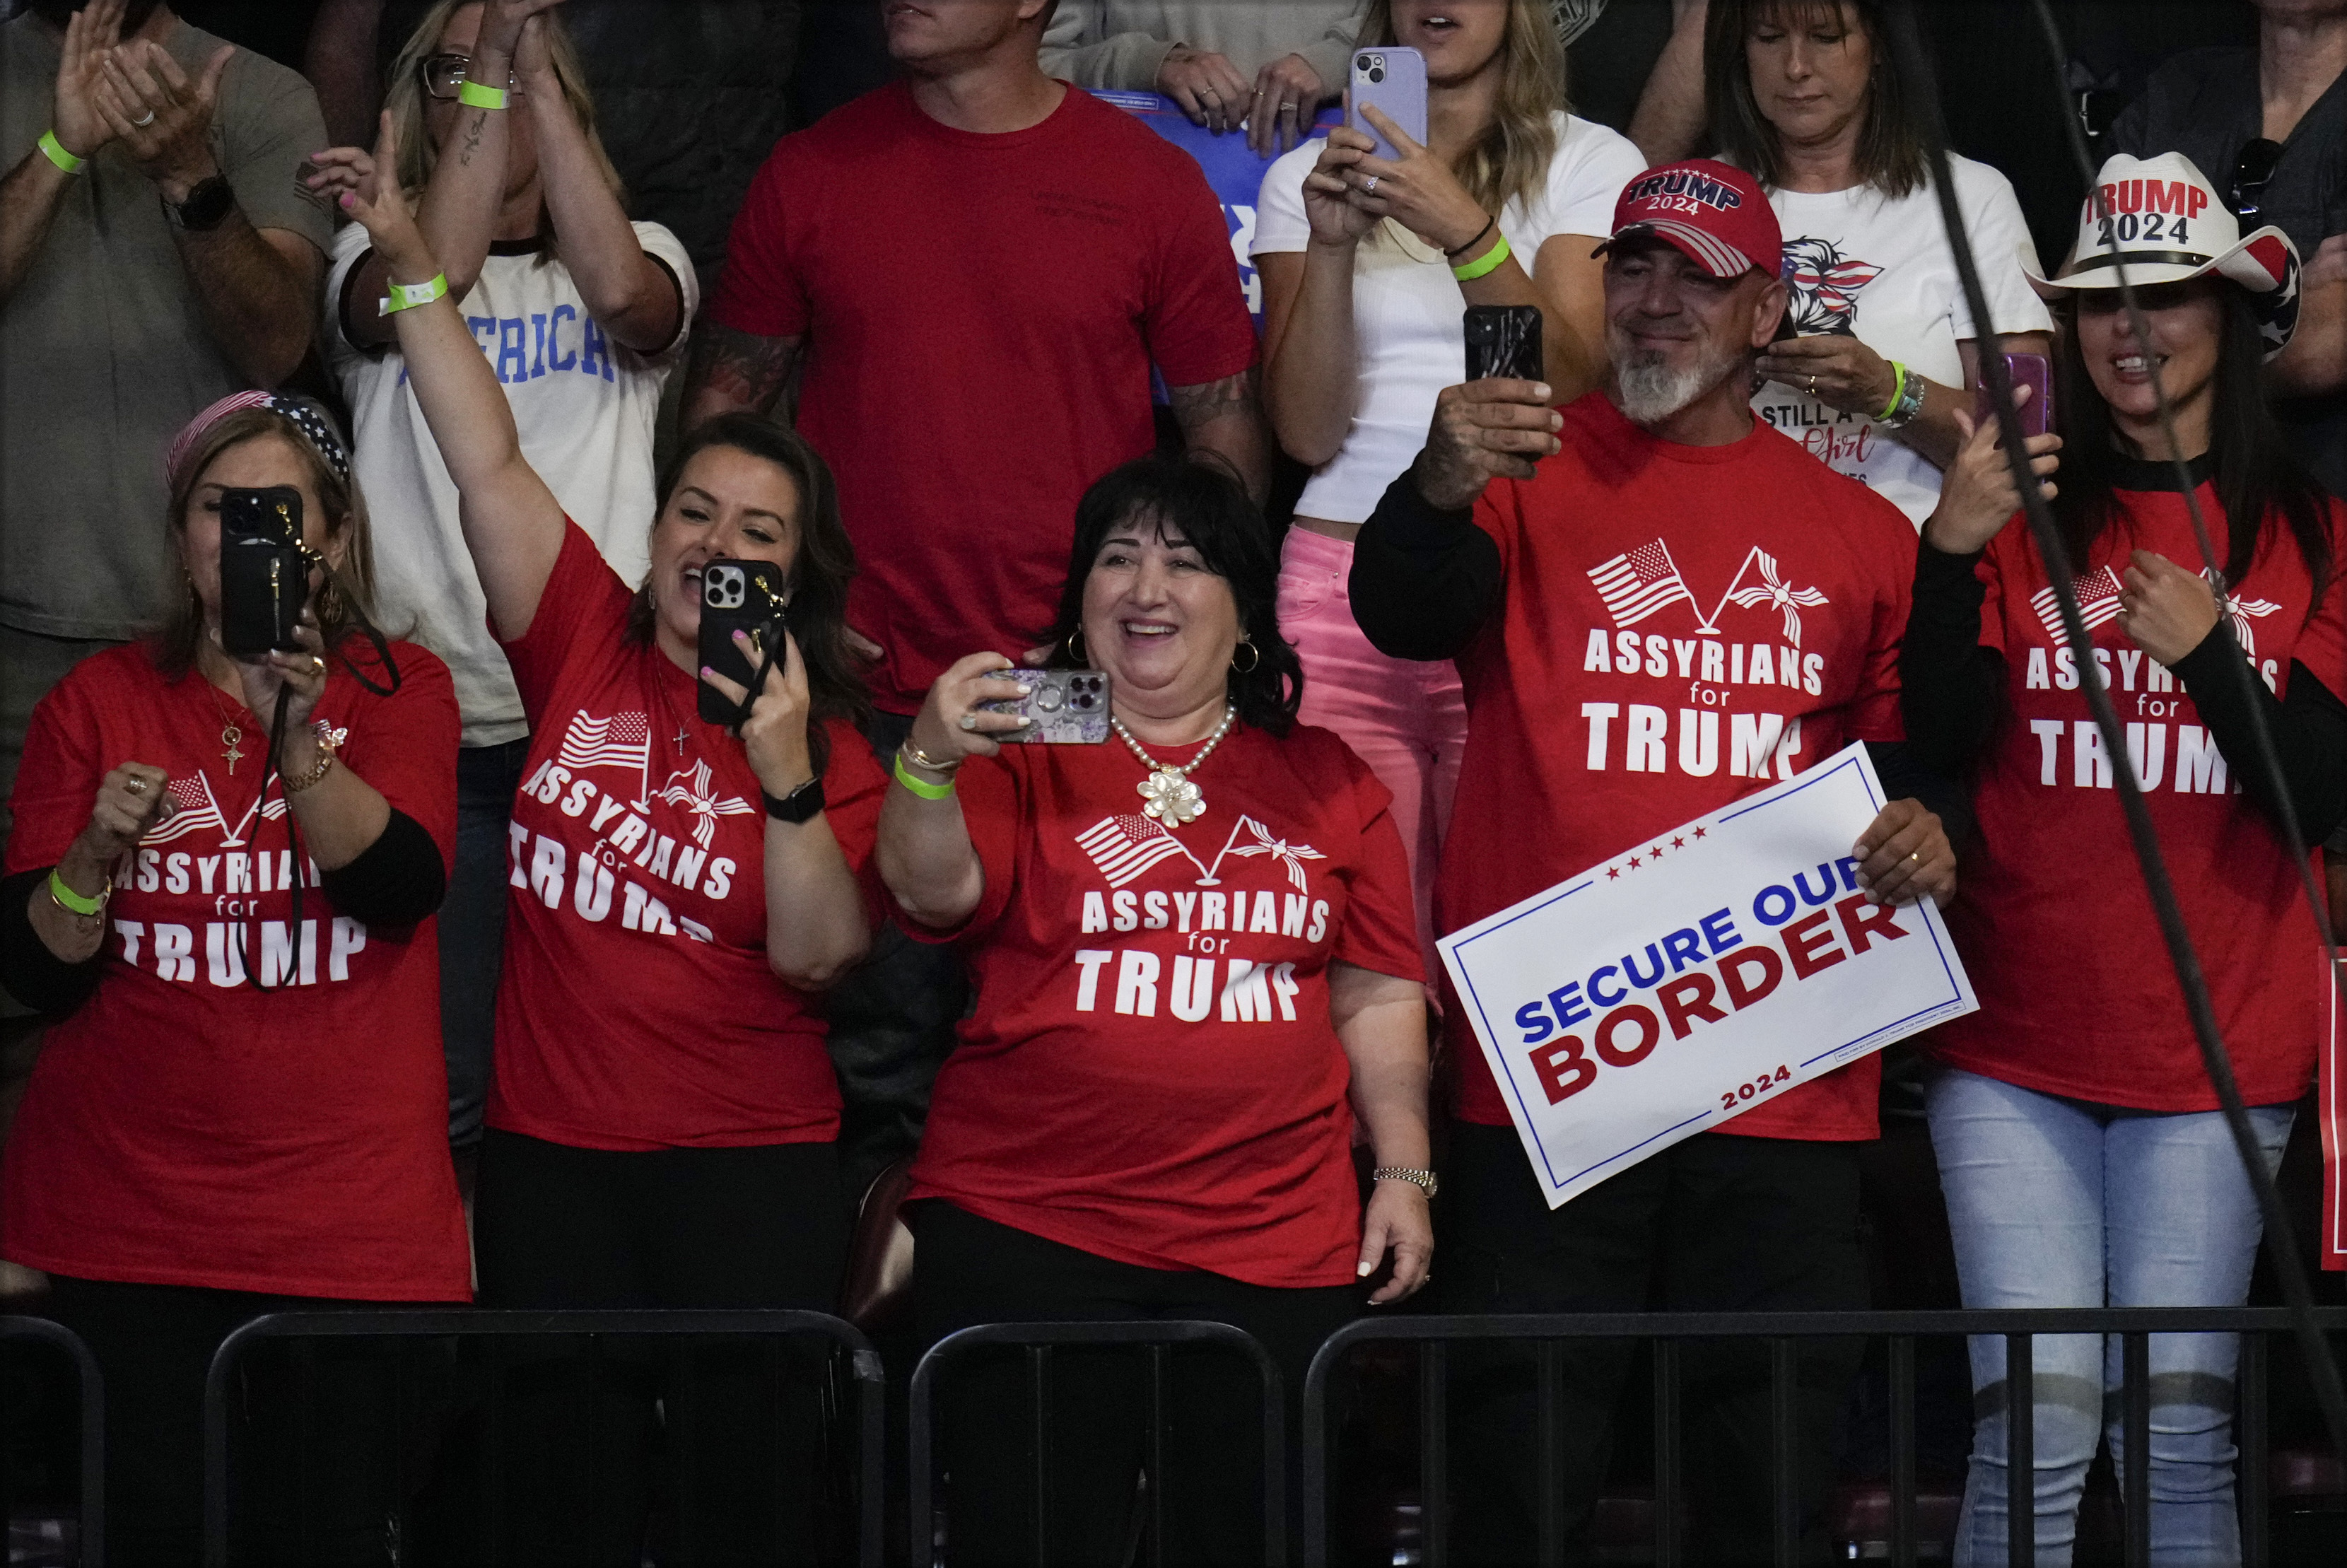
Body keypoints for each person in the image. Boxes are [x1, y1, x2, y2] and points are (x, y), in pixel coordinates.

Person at [1348, 160, 1958, 1562]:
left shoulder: (1865, 534)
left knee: (1766, 1492)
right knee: (1518, 1484)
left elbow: (1904, 773)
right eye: (1633, 268)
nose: (1658, 301)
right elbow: (1397, 609)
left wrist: (1930, 832)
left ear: (1765, 314)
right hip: (1557, 1063)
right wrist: (1436, 487)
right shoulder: (1518, 467)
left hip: (1779, 1076)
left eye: (1697, 275)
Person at [336, 111, 885, 1559]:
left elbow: (826, 959)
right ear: (651, 544)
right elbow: (489, 461)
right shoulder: (581, 634)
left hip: (742, 1170)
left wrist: (782, 781)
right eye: (692, 513)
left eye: (757, 532)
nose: (716, 543)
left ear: (799, 572)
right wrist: (407, 266)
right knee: (550, 1495)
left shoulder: (831, 745)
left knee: (743, 1501)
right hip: (550, 1159)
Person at [685, 0, 1265, 1200]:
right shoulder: (813, 171)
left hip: (1072, 698)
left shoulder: (1145, 181)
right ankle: (866, 1375)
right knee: (871, 1077)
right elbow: (728, 422)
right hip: (865, 694)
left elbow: (1221, 435)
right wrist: (767, 630)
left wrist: (1172, 646)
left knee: (1069, 1060)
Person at [1901, 150, 2341, 1567]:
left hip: (2220, 1050)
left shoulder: (2312, 533)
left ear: (2228, 316)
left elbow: (2322, 795)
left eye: (2164, 297)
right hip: (2014, 1042)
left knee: (2174, 1439)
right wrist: (1943, 557)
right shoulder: (2017, 511)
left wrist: (2213, 663)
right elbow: (1940, 734)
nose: (2130, 329)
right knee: (2031, 1427)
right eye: (2100, 302)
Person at [880, 455, 1432, 1564]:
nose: (1147, 588)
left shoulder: (1326, 776)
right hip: (1029, 1227)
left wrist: (1405, 1171)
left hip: (1269, 1245)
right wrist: (931, 761)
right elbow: (927, 888)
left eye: (1185, 563)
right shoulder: (1016, 741)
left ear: (1243, 615)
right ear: (1080, 603)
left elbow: (1374, 990)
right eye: (1118, 558)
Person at [0, 392, 466, 1564]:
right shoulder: (96, 701)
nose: (246, 533)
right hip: (129, 1227)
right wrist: (93, 855)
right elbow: (33, 971)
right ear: (180, 537)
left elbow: (402, 886)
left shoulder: (402, 686)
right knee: (149, 1534)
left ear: (335, 537)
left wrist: (298, 737)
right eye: (219, 508)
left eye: (276, 508)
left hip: (347, 1234)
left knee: (328, 1537)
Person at [308, 0, 695, 1162]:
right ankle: (449, 1328)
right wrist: (503, 70)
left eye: (521, 77)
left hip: (601, 726)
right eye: (451, 77)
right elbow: (444, 264)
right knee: (454, 1076)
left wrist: (531, 76)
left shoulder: (652, 251)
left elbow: (631, 303)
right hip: (436, 718)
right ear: (418, 110)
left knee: (605, 1054)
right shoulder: (362, 259)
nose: (486, 94)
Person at [1256, 0, 1643, 983]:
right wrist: (1335, 242)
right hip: (1338, 584)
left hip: (1513, 577)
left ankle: (1479, 1138)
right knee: (1352, 923)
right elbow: (1303, 430)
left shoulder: (1589, 161)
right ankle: (1382, 1145)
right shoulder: (1307, 174)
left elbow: (1576, 378)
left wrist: (1465, 230)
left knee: (1515, 920)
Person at [0, 0, 329, 853]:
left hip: (216, 625)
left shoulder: (263, 92)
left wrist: (190, 174)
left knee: (211, 944)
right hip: (12, 625)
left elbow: (279, 346)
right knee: (32, 946)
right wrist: (62, 148)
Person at [1629, 0, 2054, 527]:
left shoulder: (1971, 198)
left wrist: (1889, 391)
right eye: (1768, 37)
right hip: (1727, 547)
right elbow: (1630, 414)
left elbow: (2025, 440)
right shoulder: (1698, 197)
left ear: (1878, 46)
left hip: (1923, 557)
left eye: (1825, 37)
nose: (1796, 66)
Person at [2111, 0, 2347, 502]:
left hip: (2321, 498)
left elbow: (2323, 352)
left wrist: (2159, 342)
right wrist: (2289, 298)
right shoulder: (2177, 92)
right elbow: (2084, 302)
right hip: (2160, 504)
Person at [1041, 0, 1366, 156]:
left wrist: (1343, 60)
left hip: (1339, 214)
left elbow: (1412, 32)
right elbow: (1034, 65)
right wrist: (1142, 63)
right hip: (1128, 193)